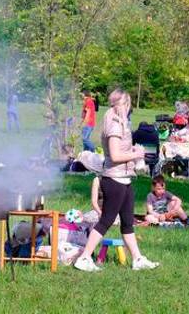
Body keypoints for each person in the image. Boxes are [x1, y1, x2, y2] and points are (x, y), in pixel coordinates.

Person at [74, 89, 158, 272]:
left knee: (127, 221)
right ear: (124, 104)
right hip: (114, 179)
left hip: (125, 179)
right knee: (106, 221)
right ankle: (85, 257)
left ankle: (137, 259)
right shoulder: (113, 123)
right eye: (128, 105)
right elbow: (115, 155)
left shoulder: (120, 122)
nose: (128, 110)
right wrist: (136, 153)